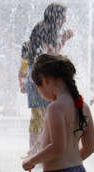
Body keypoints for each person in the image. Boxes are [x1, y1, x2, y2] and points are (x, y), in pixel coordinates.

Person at [24, 3, 73, 155]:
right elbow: (50, 55)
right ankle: (38, 151)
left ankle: (35, 150)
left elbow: (46, 54)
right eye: (63, 17)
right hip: (41, 77)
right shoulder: (45, 29)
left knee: (40, 115)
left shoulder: (41, 27)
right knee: (44, 115)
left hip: (37, 74)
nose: (64, 21)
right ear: (56, 17)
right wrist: (64, 39)